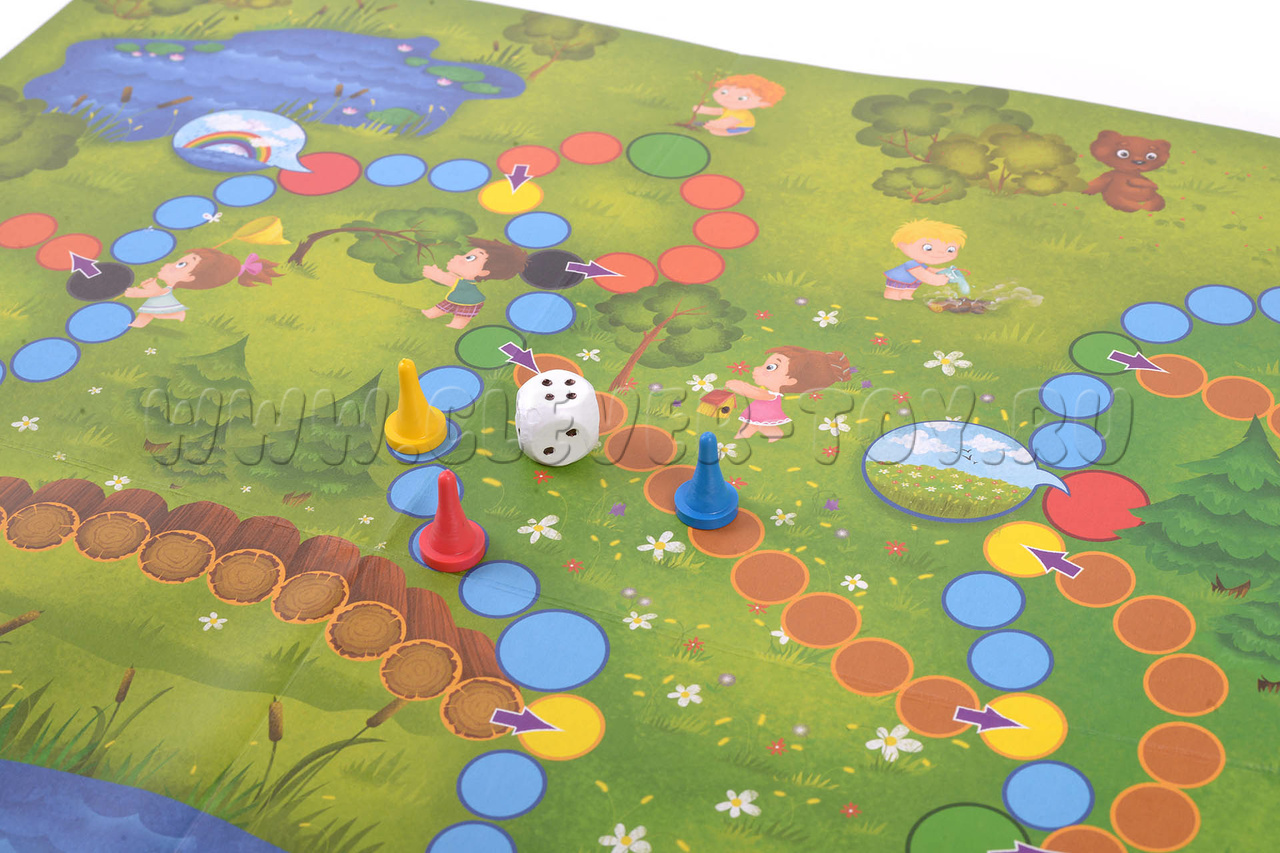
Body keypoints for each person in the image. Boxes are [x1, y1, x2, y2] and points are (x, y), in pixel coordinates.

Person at [124, 248, 281, 328]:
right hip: (161, 299)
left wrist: (136, 292)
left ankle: (148, 321)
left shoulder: (167, 290)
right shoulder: (169, 288)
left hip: (165, 304)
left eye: (181, 265)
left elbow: (156, 293)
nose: (169, 264)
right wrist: (150, 286)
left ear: (189, 278)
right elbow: (156, 292)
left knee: (151, 311)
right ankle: (138, 323)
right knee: (148, 311)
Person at [725, 346, 852, 441]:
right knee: (755, 425)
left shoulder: (771, 395)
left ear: (790, 381)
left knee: (755, 425)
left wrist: (738, 386)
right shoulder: (769, 393)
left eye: (770, 367)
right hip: (758, 414)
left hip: (764, 414)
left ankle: (746, 436)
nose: (757, 368)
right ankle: (746, 436)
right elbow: (756, 391)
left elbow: (754, 393)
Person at [421, 237, 529, 329]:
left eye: (470, 258)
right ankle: (430, 314)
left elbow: (448, 280)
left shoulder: (466, 285)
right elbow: (452, 278)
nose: (457, 257)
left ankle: (456, 326)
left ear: (483, 272)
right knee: (444, 306)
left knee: (461, 317)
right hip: (455, 298)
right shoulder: (462, 280)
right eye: (466, 255)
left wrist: (435, 274)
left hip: (470, 302)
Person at [883, 219, 967, 301]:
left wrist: (940, 271)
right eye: (928, 248)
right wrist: (935, 279)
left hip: (912, 281)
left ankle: (905, 295)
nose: (940, 253)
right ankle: (891, 295)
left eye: (950, 250)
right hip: (899, 278)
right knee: (895, 289)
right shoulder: (911, 264)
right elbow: (923, 275)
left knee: (909, 289)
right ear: (902, 245)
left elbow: (927, 269)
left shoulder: (920, 264)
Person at [691, 74, 785, 137]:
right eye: (724, 92)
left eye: (742, 98)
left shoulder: (741, 114)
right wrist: (702, 109)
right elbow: (719, 111)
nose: (728, 98)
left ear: (762, 102)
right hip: (727, 123)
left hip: (742, 126)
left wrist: (713, 123)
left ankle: (724, 131)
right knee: (713, 128)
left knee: (719, 130)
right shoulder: (730, 108)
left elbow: (727, 123)